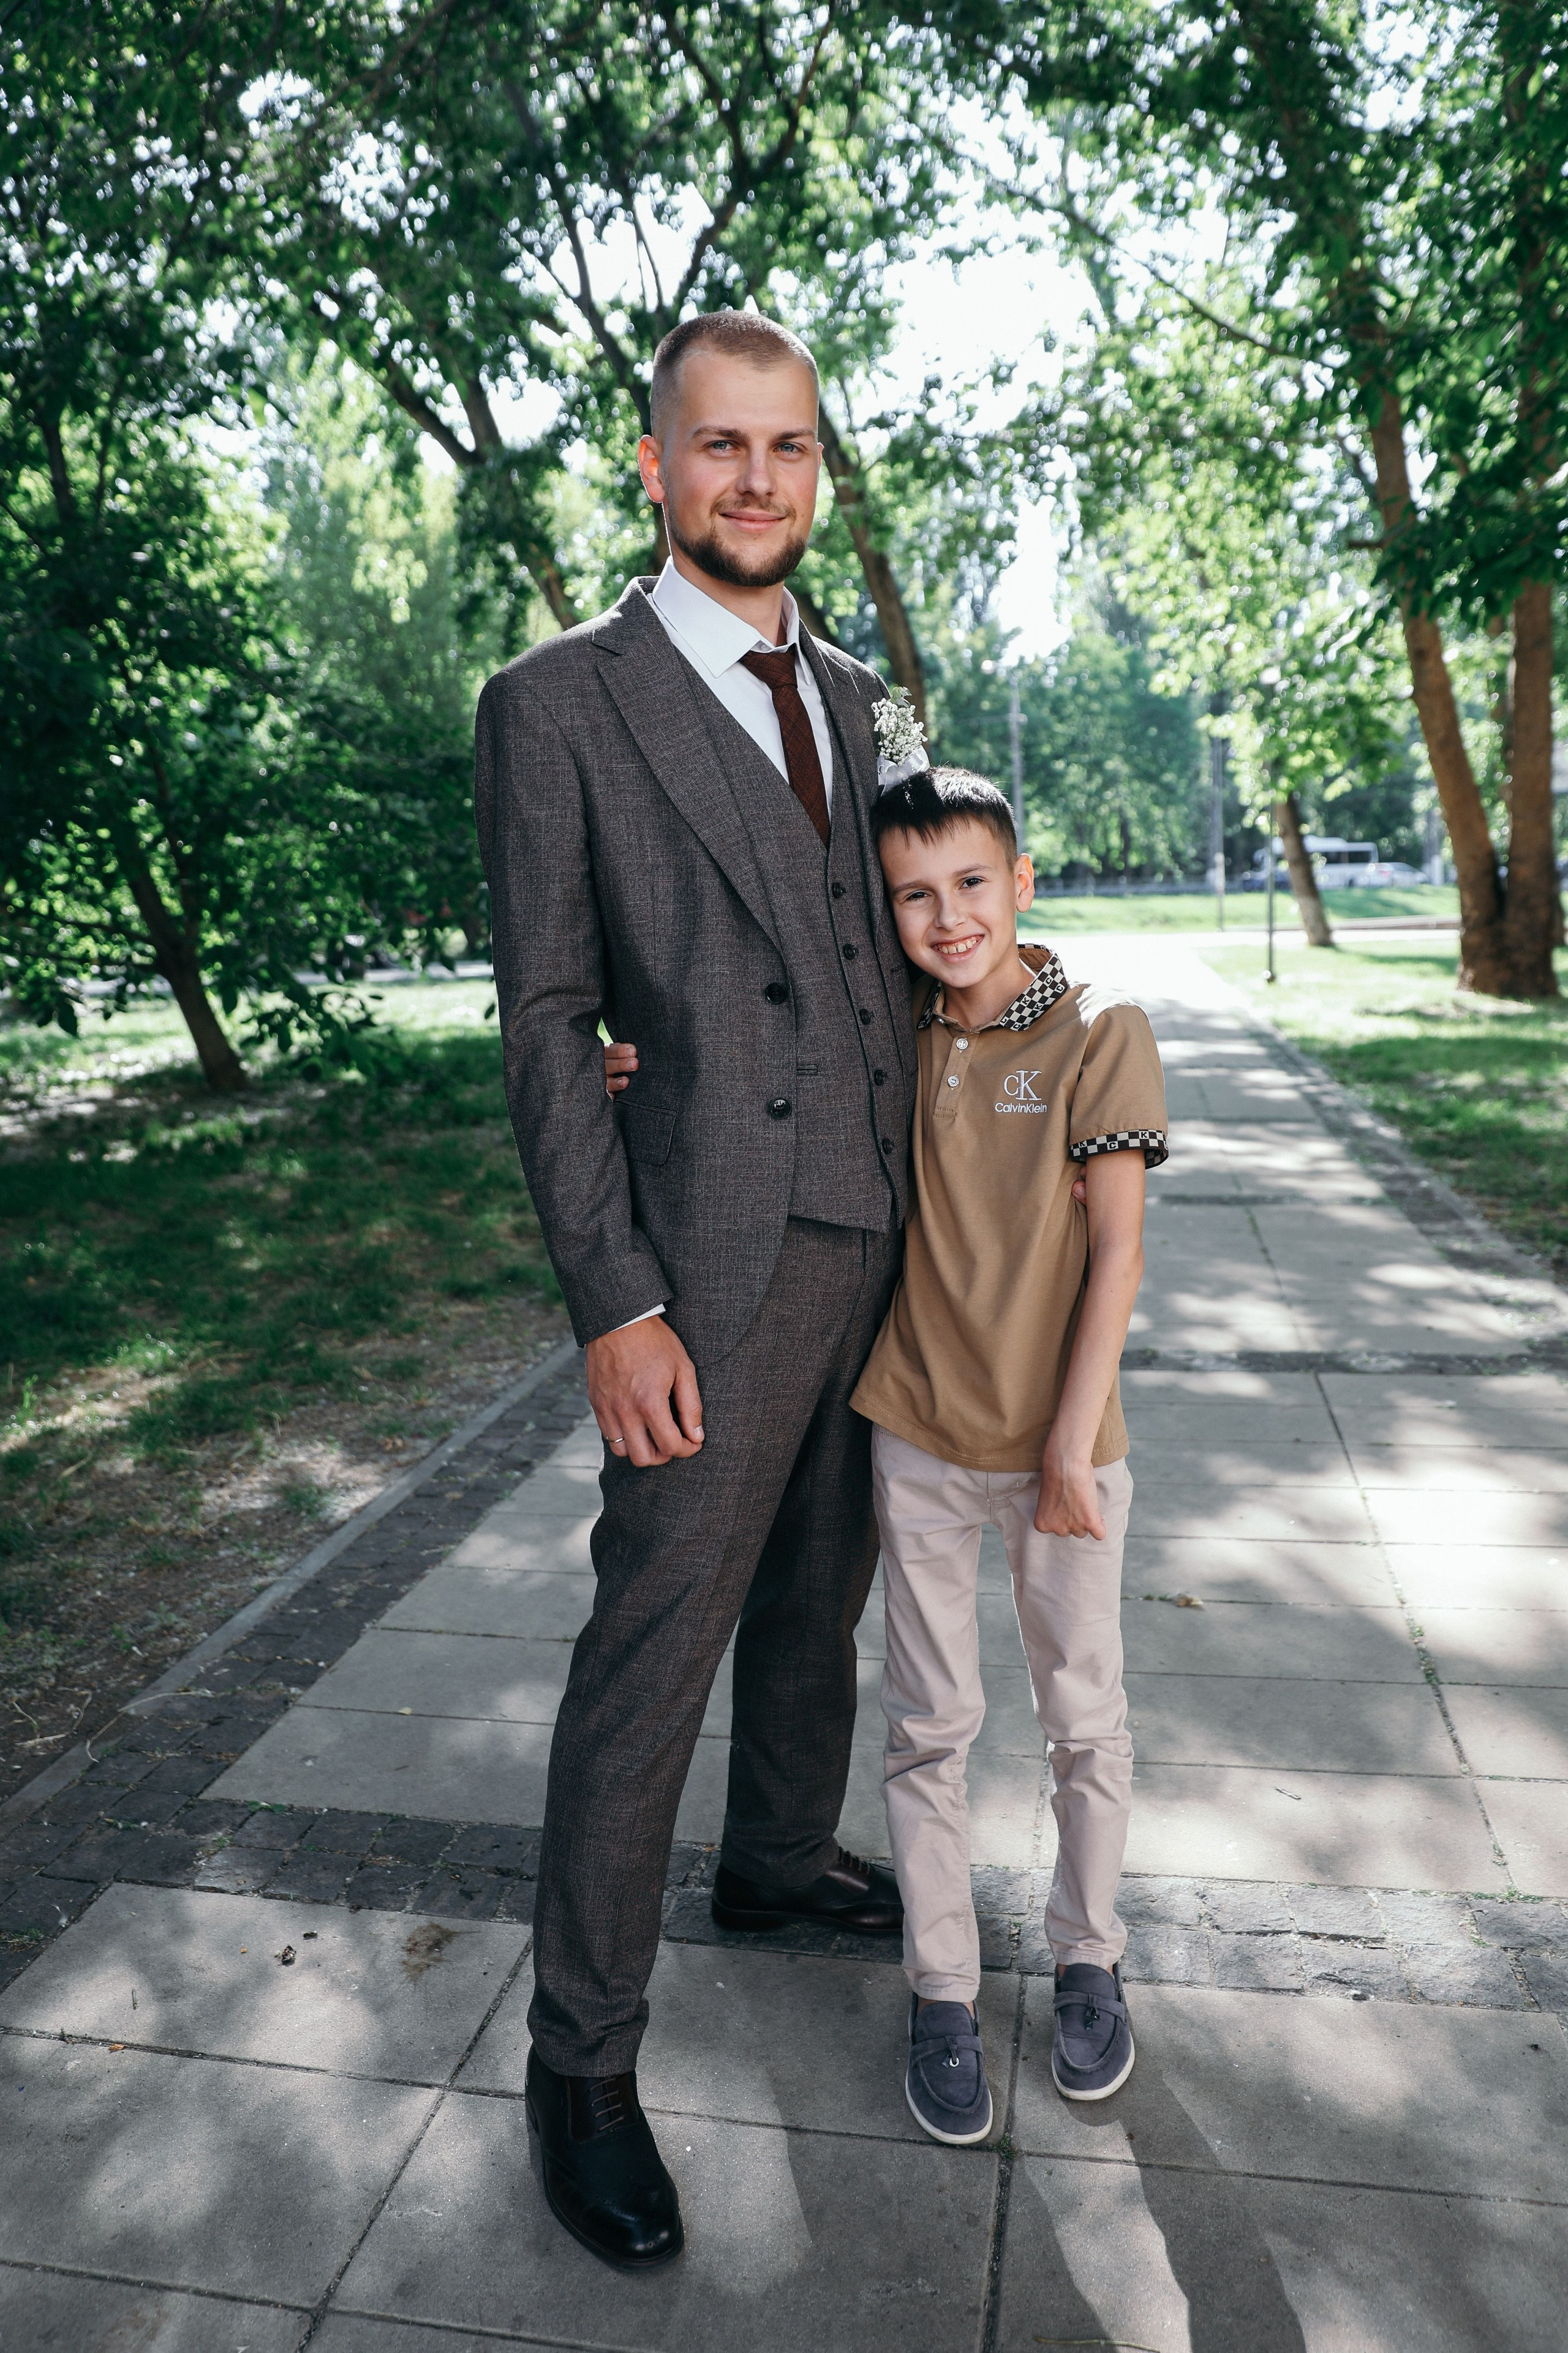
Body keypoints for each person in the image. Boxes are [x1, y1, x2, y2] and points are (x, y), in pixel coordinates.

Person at [474, 309, 914, 2272]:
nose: (757, 482)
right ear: (655, 466)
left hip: (887, 1234)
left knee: (824, 1592)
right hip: (704, 1263)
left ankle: (774, 1862)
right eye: (718, 448)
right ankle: (580, 2063)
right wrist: (611, 1298)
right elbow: (551, 1020)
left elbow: (932, 940)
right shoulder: (559, 701)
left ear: (820, 471)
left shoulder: (866, 691)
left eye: (789, 449)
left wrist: (1078, 1029)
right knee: (654, 1652)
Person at [849, 767, 1166, 2139]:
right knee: (927, 1729)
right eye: (913, 894)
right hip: (917, 1429)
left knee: (1079, 1719)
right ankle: (938, 1988)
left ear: (1019, 880)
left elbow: (1116, 1256)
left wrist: (1060, 1449)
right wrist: (635, 1065)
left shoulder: (1101, 1028)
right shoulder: (900, 1034)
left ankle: (1087, 1960)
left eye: (969, 882)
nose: (945, 915)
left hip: (1061, 1452)